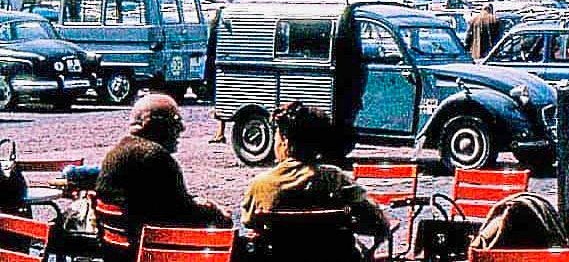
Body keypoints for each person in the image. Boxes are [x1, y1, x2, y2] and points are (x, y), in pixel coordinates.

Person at [241, 102, 390, 250]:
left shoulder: (260, 185)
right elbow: (377, 223)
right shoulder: (335, 179)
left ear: (285, 141)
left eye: (276, 137)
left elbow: (250, 223)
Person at [96, 94, 231, 246]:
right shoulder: (154, 156)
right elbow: (182, 212)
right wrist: (214, 211)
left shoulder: (117, 152)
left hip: (120, 244)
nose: (181, 128)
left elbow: (167, 201)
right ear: (155, 124)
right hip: (151, 245)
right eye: (175, 122)